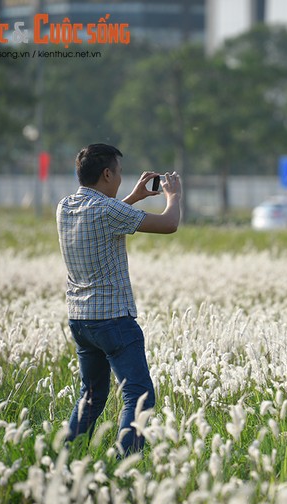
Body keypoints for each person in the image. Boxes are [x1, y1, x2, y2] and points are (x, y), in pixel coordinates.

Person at [56, 143, 182, 456]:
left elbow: (104, 218)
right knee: (139, 395)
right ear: (107, 173)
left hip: (81, 320)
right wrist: (174, 196)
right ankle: (127, 461)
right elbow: (169, 224)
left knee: (92, 395)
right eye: (120, 173)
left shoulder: (66, 206)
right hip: (114, 320)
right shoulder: (108, 210)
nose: (122, 180)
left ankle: (65, 454)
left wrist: (136, 197)